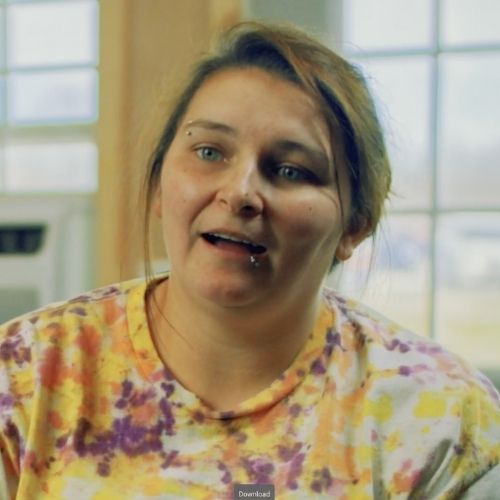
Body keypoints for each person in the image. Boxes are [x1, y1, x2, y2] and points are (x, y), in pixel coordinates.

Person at [0, 21, 498, 500]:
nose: (240, 193)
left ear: (354, 228)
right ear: (158, 185)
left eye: (290, 169)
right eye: (210, 152)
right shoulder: (24, 376)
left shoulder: (442, 419)